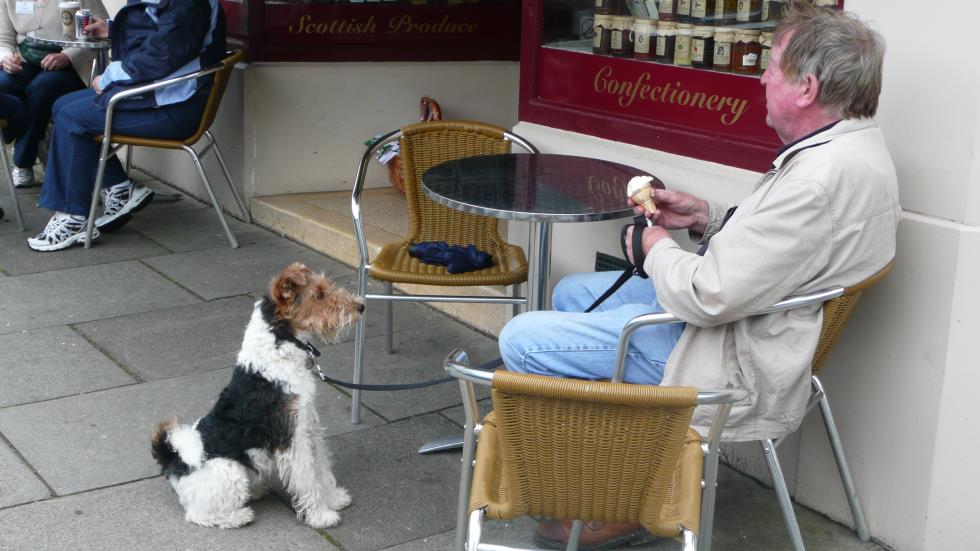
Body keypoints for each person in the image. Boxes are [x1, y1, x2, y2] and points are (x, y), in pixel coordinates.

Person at [498, 4, 902, 549]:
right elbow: (786, 249)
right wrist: (705, 215)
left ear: (806, 88)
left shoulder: (820, 178)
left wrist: (653, 244)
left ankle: (624, 499)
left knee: (520, 339)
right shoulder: (849, 152)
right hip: (756, 324)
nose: (761, 76)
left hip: (733, 350)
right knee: (572, 291)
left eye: (772, 65)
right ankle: (620, 470)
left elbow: (707, 295)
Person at [27, 0, 226, 251]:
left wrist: (110, 77)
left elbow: (161, 55)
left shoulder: (188, 5)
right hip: (164, 95)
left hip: (174, 109)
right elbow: (160, 33)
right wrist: (111, 29)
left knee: (71, 117)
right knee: (62, 106)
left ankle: (72, 217)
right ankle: (119, 188)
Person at [0, 0, 109, 187]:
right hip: (24, 60)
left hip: (71, 64)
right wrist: (6, 58)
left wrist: (68, 55)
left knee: (41, 89)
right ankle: (33, 128)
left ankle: (23, 160)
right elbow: (3, 38)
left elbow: (103, 32)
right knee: (3, 84)